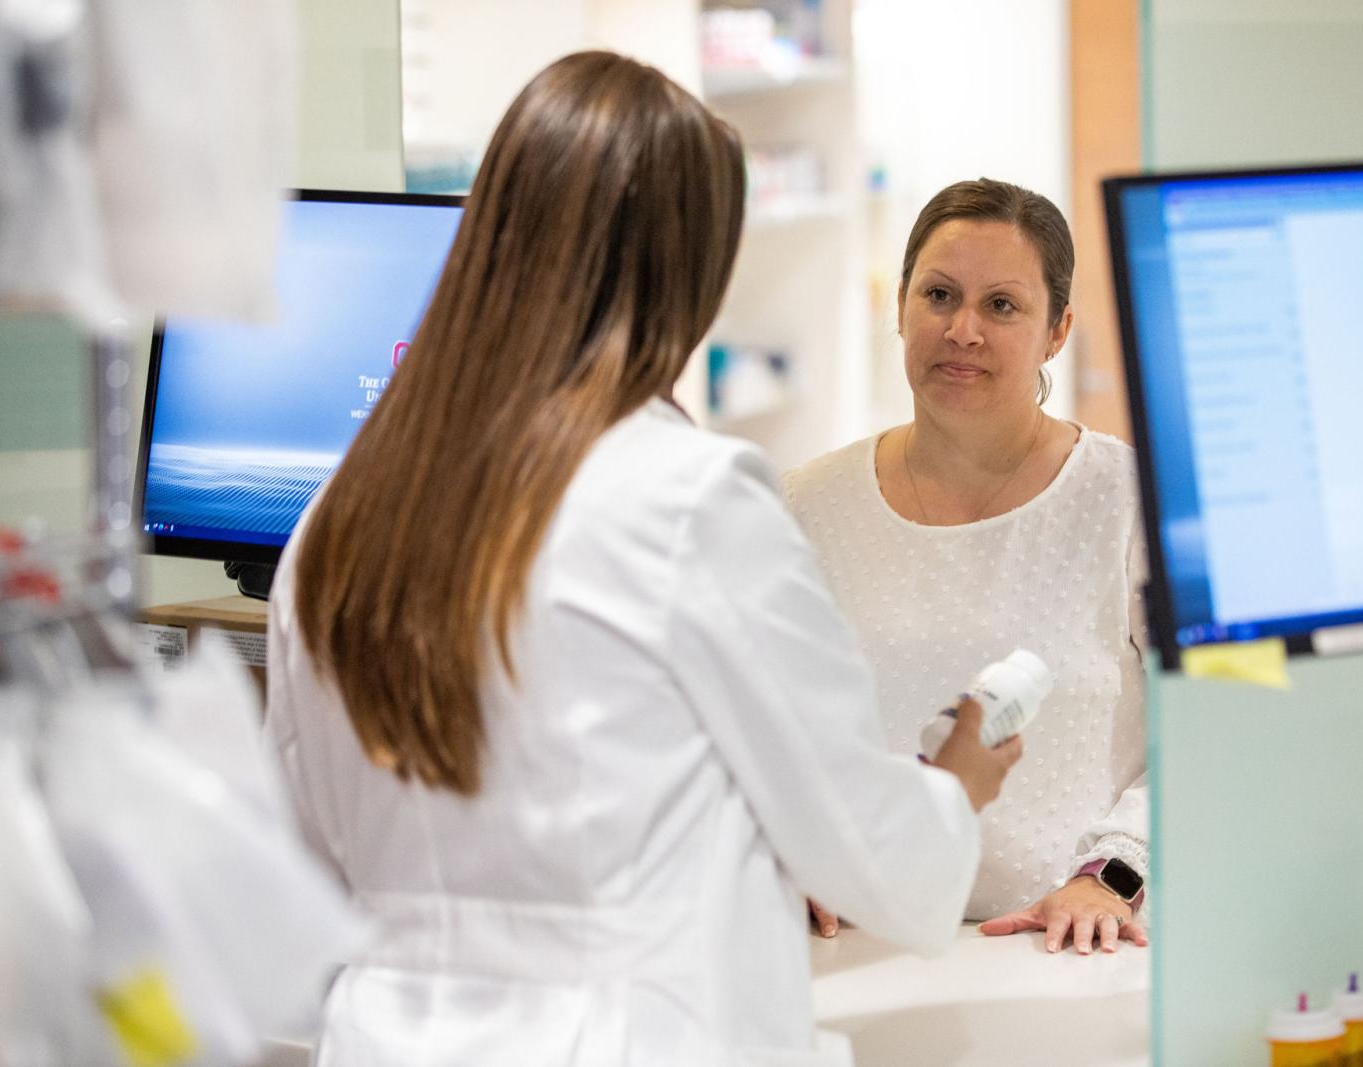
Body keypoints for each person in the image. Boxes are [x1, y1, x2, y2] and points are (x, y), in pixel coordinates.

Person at [263, 52, 1020, 1067]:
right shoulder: (688, 499)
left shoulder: (336, 519)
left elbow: (306, 852)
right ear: (684, 272)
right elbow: (866, 847)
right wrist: (959, 779)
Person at [783, 178, 1150, 957]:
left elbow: (1212, 733)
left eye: (1002, 306)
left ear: (1058, 331)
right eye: (939, 295)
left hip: (1075, 942)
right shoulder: (808, 503)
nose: (963, 330)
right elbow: (770, 727)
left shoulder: (1126, 500)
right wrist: (792, 848)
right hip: (865, 940)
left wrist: (1112, 875)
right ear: (900, 309)